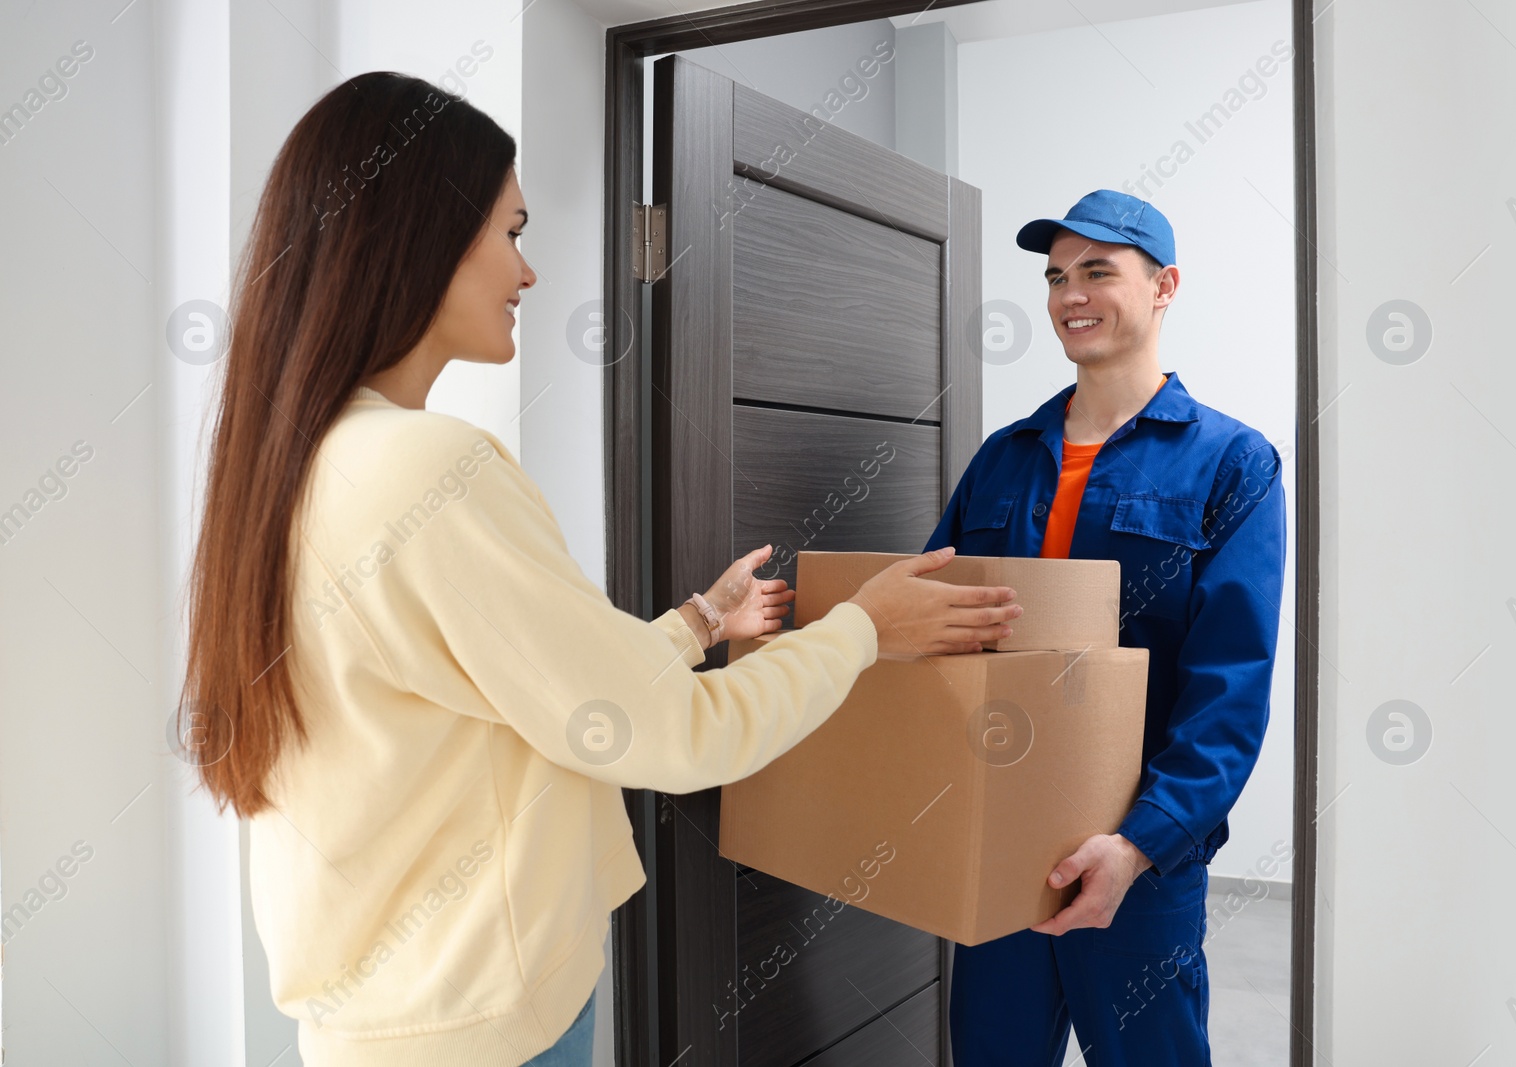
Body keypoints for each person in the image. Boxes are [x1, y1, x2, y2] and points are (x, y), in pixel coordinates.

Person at [179, 72, 1022, 1067]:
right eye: (512, 232)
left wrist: (698, 621)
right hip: (482, 1024)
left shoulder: (301, 462)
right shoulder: (429, 470)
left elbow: (522, 688)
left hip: (387, 1013)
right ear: (415, 237)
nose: (527, 274)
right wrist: (866, 629)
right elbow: (675, 735)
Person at [931, 189, 1287, 1065]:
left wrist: (1138, 844)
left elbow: (1228, 689)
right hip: (1002, 841)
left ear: (1164, 286)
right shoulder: (1004, 456)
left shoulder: (1232, 461)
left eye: (1098, 271)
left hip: (1140, 862)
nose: (1069, 295)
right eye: (1056, 277)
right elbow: (934, 627)